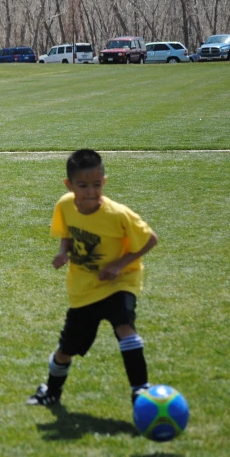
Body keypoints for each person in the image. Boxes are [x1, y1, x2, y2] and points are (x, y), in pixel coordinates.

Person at [27, 149, 158, 406]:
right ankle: (51, 391)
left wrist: (120, 265)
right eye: (83, 185)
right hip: (83, 290)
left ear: (104, 182)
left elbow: (150, 239)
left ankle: (140, 391)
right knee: (67, 350)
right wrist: (63, 252)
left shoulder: (118, 214)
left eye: (96, 185)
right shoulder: (65, 204)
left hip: (121, 282)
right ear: (69, 185)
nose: (90, 191)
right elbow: (66, 231)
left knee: (125, 328)